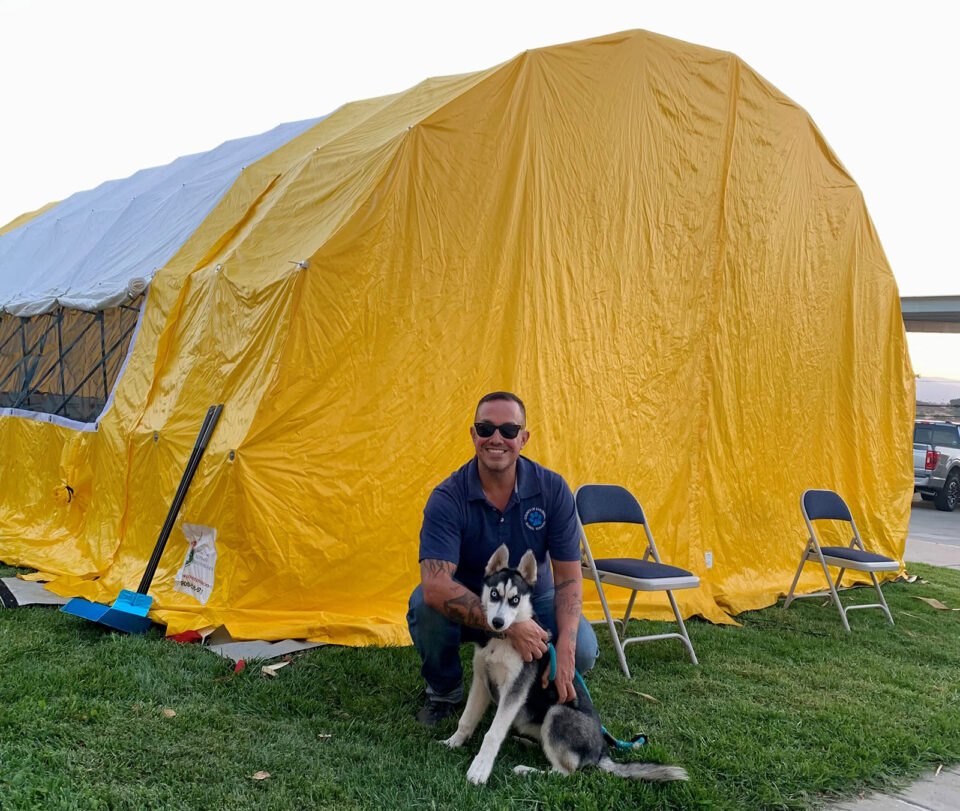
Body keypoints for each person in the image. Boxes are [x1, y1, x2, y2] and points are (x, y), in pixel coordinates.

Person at [407, 391, 599, 725]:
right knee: (425, 604)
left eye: (508, 431)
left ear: (523, 438)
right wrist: (511, 625)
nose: (497, 438)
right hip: (471, 596)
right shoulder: (447, 497)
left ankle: (534, 684)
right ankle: (444, 692)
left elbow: (568, 577)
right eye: (486, 428)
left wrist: (565, 648)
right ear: (473, 435)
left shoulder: (552, 489)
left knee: (581, 647)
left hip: (533, 599)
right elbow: (436, 586)